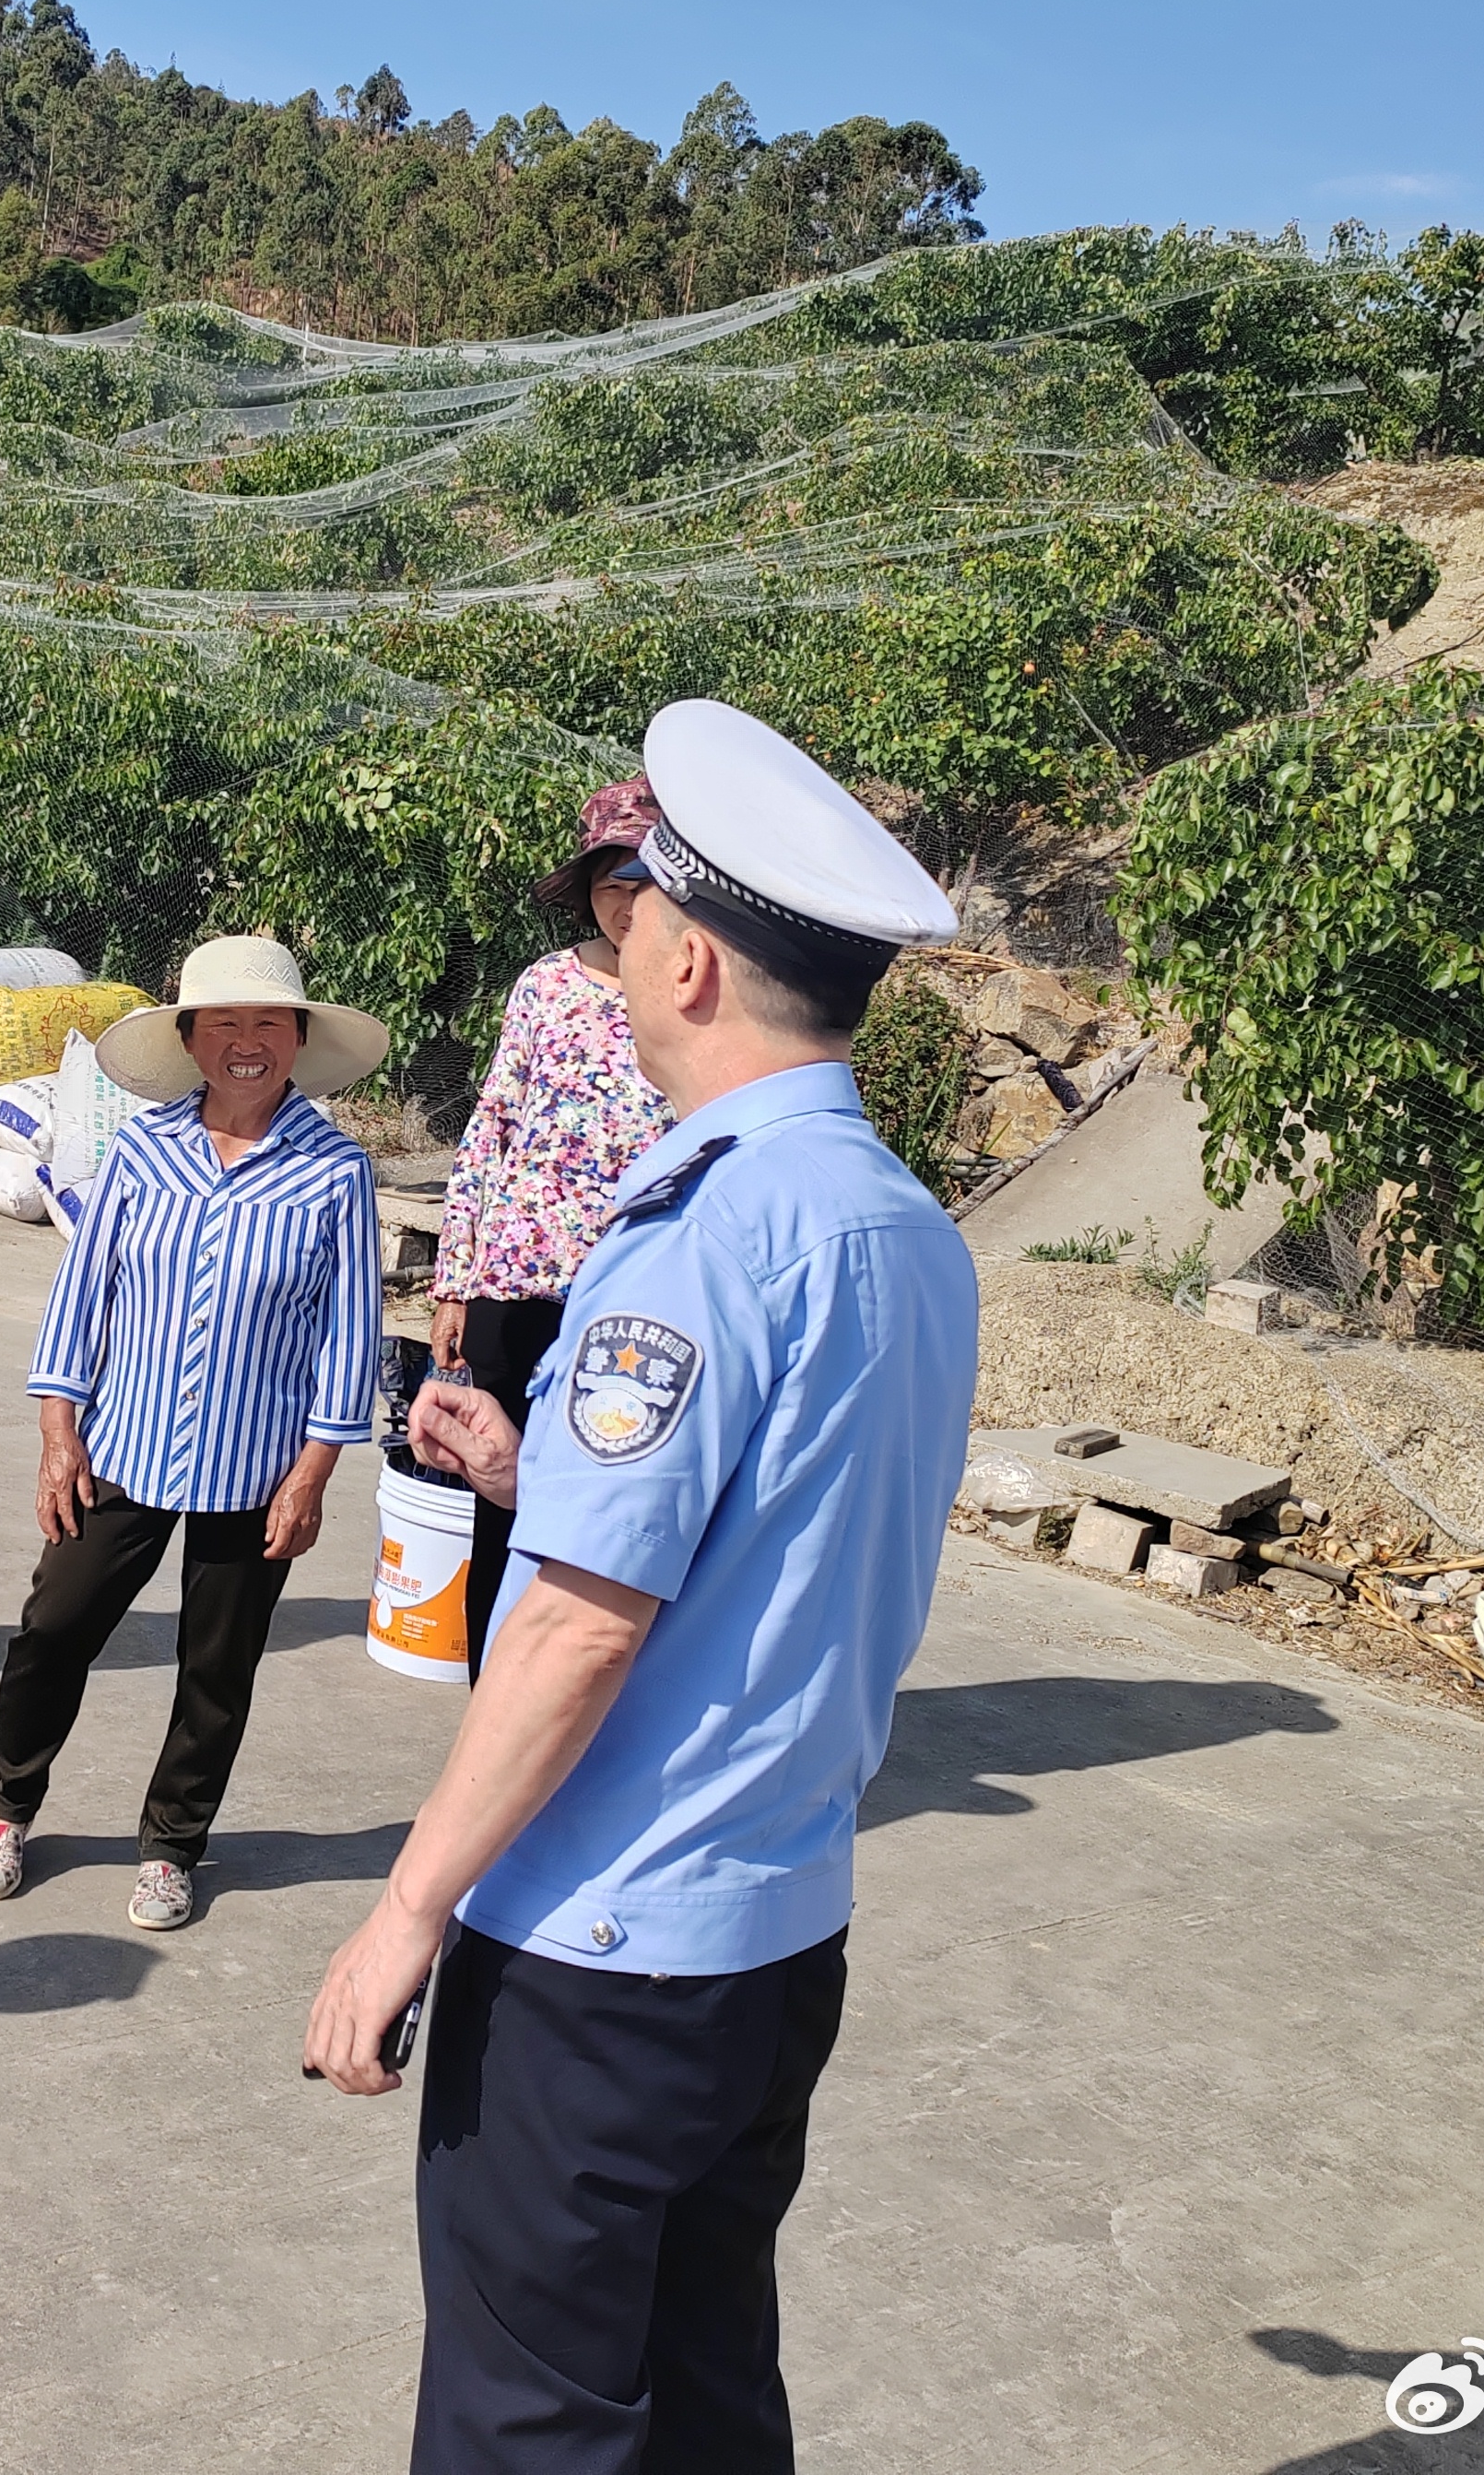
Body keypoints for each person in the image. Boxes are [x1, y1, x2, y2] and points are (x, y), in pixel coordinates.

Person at [302, 699, 982, 2474]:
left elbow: (579, 1627)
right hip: (776, 1931)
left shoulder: (696, 1231)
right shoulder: (899, 1223)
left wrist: (404, 1912)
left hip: (607, 1947)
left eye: (638, 930)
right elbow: (793, 1525)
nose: (617, 960)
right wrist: (547, 1478)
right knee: (702, 2384)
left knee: (530, 2413)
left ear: (686, 961)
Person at [0, 935, 384, 1934]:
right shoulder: (140, 1149)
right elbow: (82, 1294)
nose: (247, 1043)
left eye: (267, 1024)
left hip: (258, 1464)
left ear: (298, 1039)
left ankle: (170, 1847)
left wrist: (315, 1470)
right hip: (121, 1448)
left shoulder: (336, 1174)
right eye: (225, 1024)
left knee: (217, 1668)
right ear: (191, 1040)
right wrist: (58, 1433)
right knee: (52, 1632)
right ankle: (6, 1810)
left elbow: (350, 1334)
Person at [429, 776, 675, 1673]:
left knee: (610, 1495)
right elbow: (489, 1129)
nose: (629, 904)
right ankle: (490, 1687)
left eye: (649, 882)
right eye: (614, 884)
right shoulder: (544, 987)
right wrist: (453, 1279)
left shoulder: (690, 993)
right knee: (500, 1497)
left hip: (630, 1291)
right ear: (588, 892)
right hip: (515, 1284)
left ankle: (582, 1687)